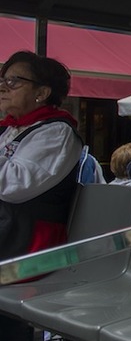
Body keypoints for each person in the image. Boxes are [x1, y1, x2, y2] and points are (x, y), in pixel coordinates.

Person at [0, 51, 83, 260]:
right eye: (2, 80)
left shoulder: (57, 132)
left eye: (13, 82)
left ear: (42, 92)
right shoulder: (9, 129)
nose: (2, 88)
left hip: (27, 243)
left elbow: (15, 185)